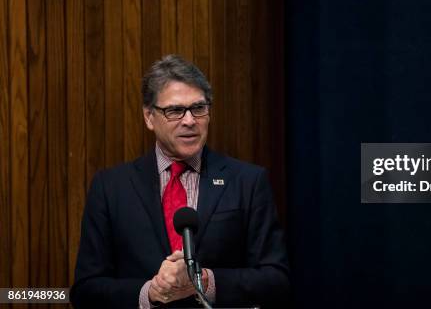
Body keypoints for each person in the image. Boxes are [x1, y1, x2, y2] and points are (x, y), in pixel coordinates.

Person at [70, 55, 290, 308]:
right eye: (175, 110)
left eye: (198, 108)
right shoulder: (110, 188)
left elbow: (277, 281)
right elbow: (86, 290)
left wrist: (205, 281)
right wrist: (150, 292)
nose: (189, 121)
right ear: (149, 117)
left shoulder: (248, 182)